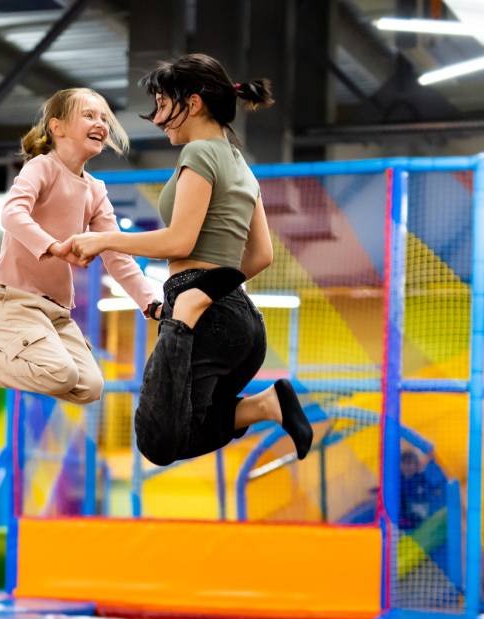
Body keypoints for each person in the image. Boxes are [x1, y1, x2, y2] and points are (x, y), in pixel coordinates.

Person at [66, 53, 312, 466]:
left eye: (163, 105)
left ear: (193, 104)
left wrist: (104, 240)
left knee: (157, 439)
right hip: (243, 322)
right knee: (184, 430)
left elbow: (181, 241)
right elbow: (262, 255)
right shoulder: (241, 165)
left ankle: (198, 322)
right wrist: (218, 289)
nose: (159, 119)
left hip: (198, 311)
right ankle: (266, 405)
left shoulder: (199, 154)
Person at [0, 88, 159, 417]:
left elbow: (116, 254)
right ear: (57, 128)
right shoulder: (42, 168)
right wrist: (54, 247)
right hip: (9, 300)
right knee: (62, 373)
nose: (100, 123)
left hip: (54, 312)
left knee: (90, 386)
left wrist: (149, 302)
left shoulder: (96, 191)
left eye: (103, 118)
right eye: (89, 115)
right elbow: (12, 214)